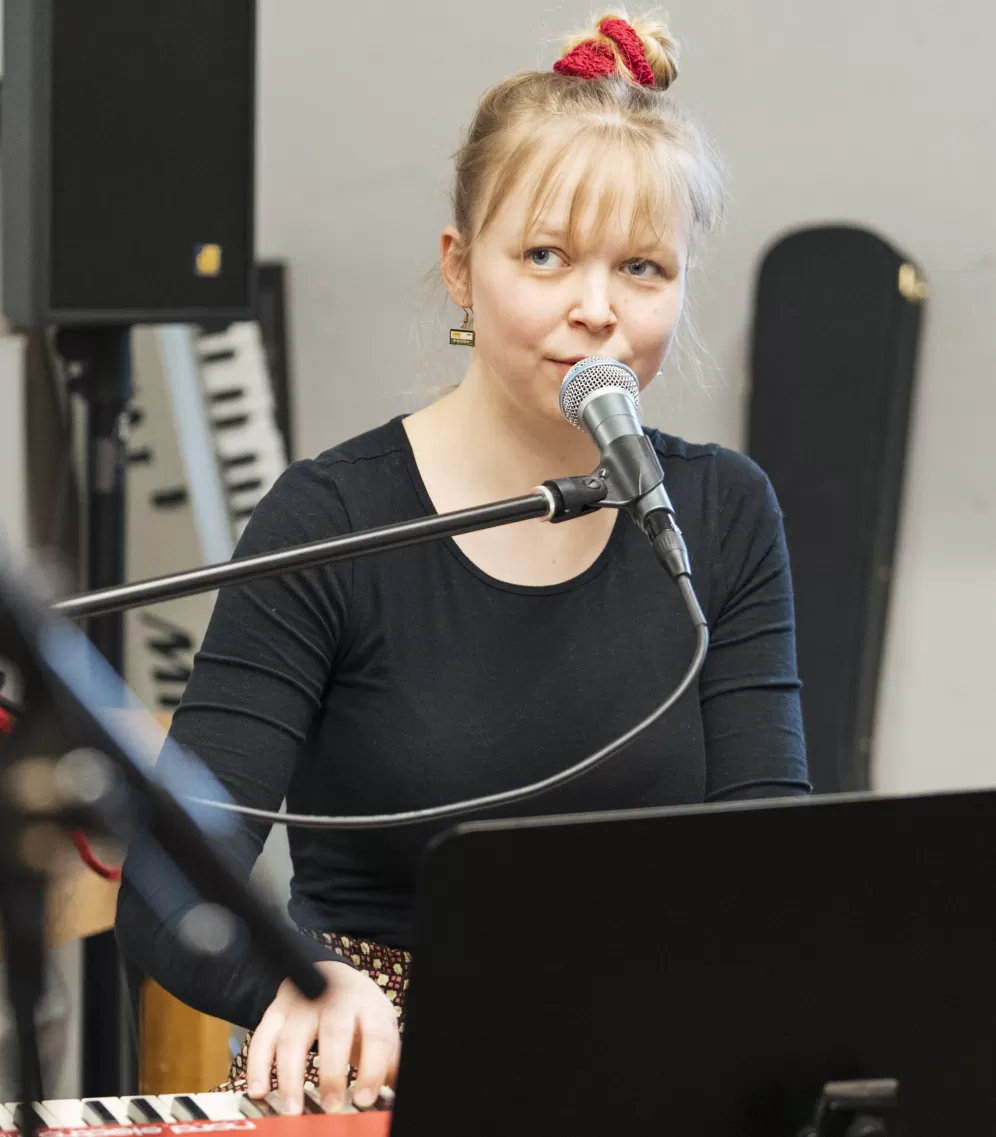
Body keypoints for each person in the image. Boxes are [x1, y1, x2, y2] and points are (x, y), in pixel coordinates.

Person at [116, 8, 809, 1115]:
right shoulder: (330, 518)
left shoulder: (723, 513)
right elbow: (166, 885)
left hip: (643, 1063)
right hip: (375, 1071)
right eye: (546, 256)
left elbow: (772, 865)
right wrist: (297, 983)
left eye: (642, 267)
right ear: (460, 267)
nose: (597, 310)